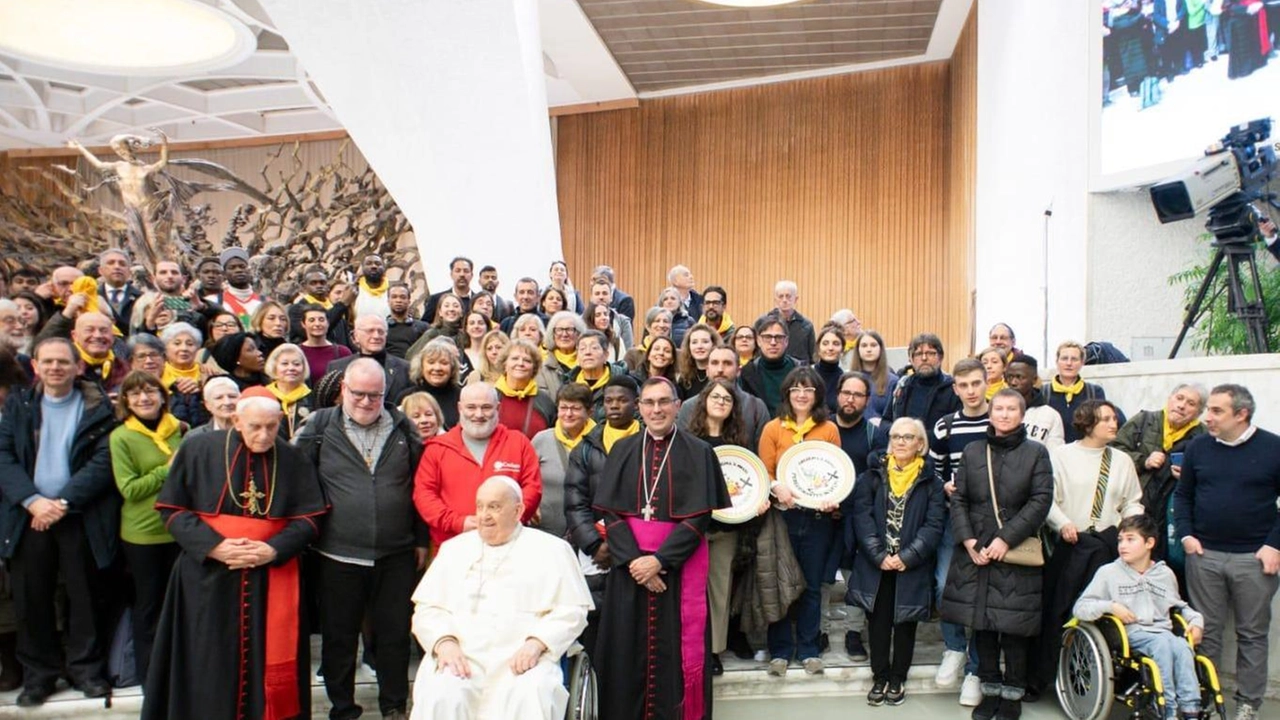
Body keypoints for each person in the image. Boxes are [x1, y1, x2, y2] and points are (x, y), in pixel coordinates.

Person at [142, 389, 327, 720]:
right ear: (236, 421)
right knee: (207, 662)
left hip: (272, 578)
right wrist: (214, 546)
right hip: (207, 580)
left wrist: (274, 549)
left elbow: (311, 518)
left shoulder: (293, 457)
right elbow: (171, 509)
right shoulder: (199, 449)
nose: (264, 435)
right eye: (255, 426)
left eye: (272, 427)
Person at [293, 358, 425, 720]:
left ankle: (394, 704)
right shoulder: (319, 426)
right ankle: (342, 708)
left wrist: (421, 539)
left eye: (376, 395)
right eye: (359, 394)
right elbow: (296, 475)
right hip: (337, 554)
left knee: (394, 636)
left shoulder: (403, 426)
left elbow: (420, 486)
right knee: (339, 638)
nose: (367, 402)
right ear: (343, 390)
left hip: (395, 553)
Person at [592, 377, 730, 720]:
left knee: (674, 656)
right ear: (639, 408)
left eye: (663, 402)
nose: (656, 409)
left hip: (677, 573)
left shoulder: (699, 452)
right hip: (630, 572)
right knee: (627, 653)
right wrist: (637, 562)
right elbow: (611, 512)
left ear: (677, 406)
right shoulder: (623, 450)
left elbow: (699, 517)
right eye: (649, 403)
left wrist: (660, 561)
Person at [409, 476, 592, 720]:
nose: (484, 515)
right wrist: (444, 642)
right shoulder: (455, 549)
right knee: (442, 693)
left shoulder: (552, 550)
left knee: (532, 693)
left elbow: (572, 611)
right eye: (480, 506)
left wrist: (537, 643)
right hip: (462, 657)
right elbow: (428, 608)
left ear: (518, 511)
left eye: (494, 507)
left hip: (523, 659)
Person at [0, 337, 119, 707]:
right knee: (32, 598)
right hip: (29, 517)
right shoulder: (18, 406)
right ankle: (40, 675)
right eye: (47, 361)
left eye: (63, 362)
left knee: (84, 596)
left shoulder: (98, 407)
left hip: (79, 515)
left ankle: (86, 669)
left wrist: (63, 502)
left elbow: (102, 462)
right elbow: (3, 455)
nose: (55, 368)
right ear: (35, 365)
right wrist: (34, 502)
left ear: (77, 366)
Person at [941, 388, 1053, 720]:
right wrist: (967, 540)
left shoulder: (1036, 453)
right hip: (976, 549)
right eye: (999, 409)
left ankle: (1012, 694)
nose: (1003, 415)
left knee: (1014, 629)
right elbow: (959, 498)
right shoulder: (974, 451)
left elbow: (1041, 500)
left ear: (1022, 414)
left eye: (1011, 409)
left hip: (1014, 551)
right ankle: (989, 691)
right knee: (983, 627)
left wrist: (1007, 539)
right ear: (990, 413)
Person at [1174, 384, 1280, 720]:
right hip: (1205, 556)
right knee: (1206, 632)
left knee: (1252, 634)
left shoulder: (1273, 448)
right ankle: (1205, 696)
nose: (1207, 417)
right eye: (1208, 410)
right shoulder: (1198, 448)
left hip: (1255, 559)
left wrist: (1274, 544)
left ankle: (1248, 704)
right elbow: (1183, 495)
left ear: (1241, 414)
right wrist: (1187, 536)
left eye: (1217, 411)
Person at [1032, 399, 1145, 697]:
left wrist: (1130, 526)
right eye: (1105, 418)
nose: (1113, 423)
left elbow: (1132, 499)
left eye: (1114, 418)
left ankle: (1101, 681)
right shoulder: (1061, 456)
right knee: (1059, 610)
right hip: (1072, 544)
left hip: (1109, 546)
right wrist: (1063, 524)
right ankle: (1049, 675)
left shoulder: (1120, 460)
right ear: (1087, 422)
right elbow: (1047, 499)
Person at [850, 417, 945, 707]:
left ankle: (897, 678)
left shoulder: (932, 483)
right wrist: (879, 556)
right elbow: (862, 519)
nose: (901, 442)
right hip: (876, 564)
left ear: (920, 444)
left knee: (905, 624)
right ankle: (879, 676)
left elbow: (934, 525)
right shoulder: (870, 477)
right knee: (877, 623)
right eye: (896, 436)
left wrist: (907, 556)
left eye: (908, 437)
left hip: (911, 565)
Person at [1074, 514, 1205, 720]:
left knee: (1182, 647)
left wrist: (1196, 622)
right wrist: (1111, 606)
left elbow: (1180, 607)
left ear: (1149, 543)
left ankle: (1191, 709)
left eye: (1130, 539)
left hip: (1163, 632)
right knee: (1163, 644)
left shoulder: (1165, 574)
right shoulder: (1108, 573)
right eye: (1120, 540)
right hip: (1131, 633)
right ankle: (1166, 708)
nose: (1122, 545)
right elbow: (1080, 608)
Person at [758, 367, 841, 676]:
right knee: (781, 583)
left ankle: (808, 649)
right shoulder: (773, 429)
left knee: (811, 585)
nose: (802, 394)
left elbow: (836, 471)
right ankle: (779, 651)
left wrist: (834, 495)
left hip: (818, 518)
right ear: (787, 394)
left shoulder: (828, 429)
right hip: (783, 517)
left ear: (817, 394)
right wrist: (775, 486)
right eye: (796, 389)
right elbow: (763, 470)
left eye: (808, 389)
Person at [110, 370, 184, 685]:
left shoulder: (181, 429)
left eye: (151, 391)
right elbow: (130, 489)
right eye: (136, 393)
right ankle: (149, 673)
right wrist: (167, 470)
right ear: (126, 400)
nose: (144, 398)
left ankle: (180, 667)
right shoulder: (121, 437)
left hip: (180, 530)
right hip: (144, 534)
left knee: (180, 604)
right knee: (150, 605)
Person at [686, 378, 763, 675]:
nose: (720, 402)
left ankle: (714, 651)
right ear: (704, 400)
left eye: (727, 399)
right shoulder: (688, 442)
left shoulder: (739, 447)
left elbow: (748, 485)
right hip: (695, 529)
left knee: (720, 592)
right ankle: (693, 647)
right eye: (715, 397)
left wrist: (756, 504)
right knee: (693, 591)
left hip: (728, 529)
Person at [562, 373, 640, 651]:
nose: (615, 406)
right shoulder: (586, 448)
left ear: (637, 404)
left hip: (637, 549)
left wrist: (626, 546)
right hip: (596, 550)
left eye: (622, 400)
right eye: (609, 401)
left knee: (632, 625)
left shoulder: (649, 443)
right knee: (595, 621)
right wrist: (595, 544)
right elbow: (575, 501)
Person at [414, 382, 542, 550]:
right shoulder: (437, 448)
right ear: (460, 408)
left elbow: (532, 488)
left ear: (498, 408)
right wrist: (458, 522)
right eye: (471, 407)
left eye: (486, 407)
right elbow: (424, 495)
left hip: (509, 545)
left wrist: (505, 521)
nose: (479, 414)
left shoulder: (519, 443)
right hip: (453, 547)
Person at [928, 357, 989, 703]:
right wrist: (944, 488)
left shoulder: (999, 422)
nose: (970, 391)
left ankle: (975, 671)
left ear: (985, 383)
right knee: (943, 585)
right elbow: (934, 471)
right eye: (963, 385)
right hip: (953, 519)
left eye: (976, 384)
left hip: (990, 522)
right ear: (955, 388)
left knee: (982, 595)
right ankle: (954, 647)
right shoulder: (944, 426)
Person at [1112, 383, 1207, 564]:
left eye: (1190, 403)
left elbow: (1211, 474)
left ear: (1199, 412)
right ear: (1170, 398)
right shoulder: (1144, 420)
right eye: (1179, 398)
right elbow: (1114, 451)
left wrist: (1189, 476)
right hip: (1138, 507)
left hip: (1175, 515)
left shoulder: (1203, 436)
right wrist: (1143, 460)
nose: (1181, 406)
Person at [832, 371, 890, 662]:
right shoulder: (824, 427)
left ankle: (853, 632)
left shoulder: (874, 433)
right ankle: (816, 631)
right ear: (837, 394)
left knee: (856, 575)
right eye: (846, 392)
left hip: (859, 515)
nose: (850, 399)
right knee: (821, 577)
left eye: (858, 394)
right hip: (824, 514)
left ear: (867, 400)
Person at [530, 383, 595, 539]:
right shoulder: (542, 439)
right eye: (563, 408)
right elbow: (526, 478)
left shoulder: (599, 442)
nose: (568, 414)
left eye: (576, 408)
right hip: (545, 530)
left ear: (589, 412)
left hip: (587, 532)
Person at [677, 346, 770, 447]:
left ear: (738, 371)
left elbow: (763, 453)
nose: (720, 369)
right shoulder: (689, 407)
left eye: (727, 363)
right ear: (707, 370)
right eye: (715, 363)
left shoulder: (756, 407)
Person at [883, 333, 961, 446]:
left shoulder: (953, 389)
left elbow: (955, 428)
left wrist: (915, 437)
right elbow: (885, 421)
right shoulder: (902, 387)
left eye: (930, 353)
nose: (924, 358)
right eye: (918, 354)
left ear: (941, 357)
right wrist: (898, 434)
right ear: (911, 359)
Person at [327, 315, 413, 408]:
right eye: (370, 331)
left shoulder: (404, 368)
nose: (376, 336)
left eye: (381, 331)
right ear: (356, 336)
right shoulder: (337, 367)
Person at [1044, 341, 1110, 443]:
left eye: (1074, 359)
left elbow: (1101, 426)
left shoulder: (1094, 392)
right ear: (1057, 361)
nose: (1069, 363)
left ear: (1082, 363)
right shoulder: (1043, 392)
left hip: (1085, 453)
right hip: (1050, 454)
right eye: (1064, 358)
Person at [739, 315, 801, 417]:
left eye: (778, 337)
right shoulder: (748, 372)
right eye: (767, 337)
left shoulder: (799, 369)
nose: (773, 343)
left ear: (786, 341)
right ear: (758, 341)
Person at [494, 340, 556, 439]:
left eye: (527, 360)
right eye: (515, 358)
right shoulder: (490, 397)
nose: (520, 363)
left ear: (534, 368)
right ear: (504, 364)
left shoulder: (545, 402)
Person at [567, 330, 628, 422]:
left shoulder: (623, 383)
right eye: (582, 349)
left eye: (594, 348)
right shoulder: (568, 384)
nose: (587, 352)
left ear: (606, 355)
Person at [1005, 354, 1064, 449]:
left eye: (1019, 377)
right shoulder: (997, 411)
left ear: (1034, 379)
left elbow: (1055, 454)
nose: (1013, 382)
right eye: (1010, 377)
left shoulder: (1050, 415)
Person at [405, 341, 463, 429]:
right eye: (431, 362)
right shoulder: (407, 396)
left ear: (452, 367)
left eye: (444, 363)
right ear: (421, 366)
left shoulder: (462, 397)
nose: (437, 368)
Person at [160, 322, 208, 428]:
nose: (184, 348)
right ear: (165, 348)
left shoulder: (208, 373)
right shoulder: (158, 373)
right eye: (177, 343)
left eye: (190, 344)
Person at [757, 280, 815, 364]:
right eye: (781, 296)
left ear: (795, 299)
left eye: (788, 296)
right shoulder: (762, 322)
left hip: (798, 372)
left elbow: (813, 355)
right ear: (775, 300)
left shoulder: (806, 325)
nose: (784, 300)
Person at [264, 343, 312, 439]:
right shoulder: (264, 397)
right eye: (284, 364)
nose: (291, 368)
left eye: (296, 364)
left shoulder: (313, 397)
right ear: (274, 367)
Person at [297, 303, 352, 386]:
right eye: (312, 320)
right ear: (303, 324)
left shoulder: (343, 352)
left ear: (328, 323)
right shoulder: (296, 352)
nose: (317, 324)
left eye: (321, 319)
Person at [850, 330, 898, 420]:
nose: (869, 349)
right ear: (858, 350)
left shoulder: (893, 381)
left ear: (880, 349)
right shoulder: (848, 380)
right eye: (864, 346)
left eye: (873, 345)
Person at [96, 249, 141, 336]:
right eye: (111, 263)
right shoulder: (92, 296)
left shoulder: (141, 298)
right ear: (100, 270)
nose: (117, 267)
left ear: (129, 271)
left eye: (122, 264)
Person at [217, 247, 263, 329]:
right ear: (224, 274)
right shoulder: (216, 301)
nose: (238, 270)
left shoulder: (264, 301)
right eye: (232, 268)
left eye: (242, 266)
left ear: (249, 270)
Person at [675, 322, 721, 401]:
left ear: (713, 345)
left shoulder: (720, 374)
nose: (699, 346)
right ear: (689, 347)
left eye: (705, 342)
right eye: (694, 342)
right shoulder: (684, 378)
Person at [422, 256, 474, 323]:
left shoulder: (478, 301)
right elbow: (425, 325)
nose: (462, 274)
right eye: (458, 271)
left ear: (471, 275)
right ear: (451, 274)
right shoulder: (436, 299)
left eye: (466, 271)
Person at [385, 283, 429, 359]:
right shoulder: (381, 328)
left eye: (402, 297)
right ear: (388, 301)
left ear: (409, 301)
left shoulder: (423, 327)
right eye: (394, 297)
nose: (398, 300)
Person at [813, 325, 846, 412]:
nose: (830, 348)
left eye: (836, 344)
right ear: (818, 349)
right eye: (825, 343)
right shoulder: (808, 375)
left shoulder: (845, 380)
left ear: (842, 350)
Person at [353, 254, 393, 321]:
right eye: (368, 263)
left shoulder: (392, 290)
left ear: (384, 268)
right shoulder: (354, 290)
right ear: (362, 268)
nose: (373, 266)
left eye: (378, 264)